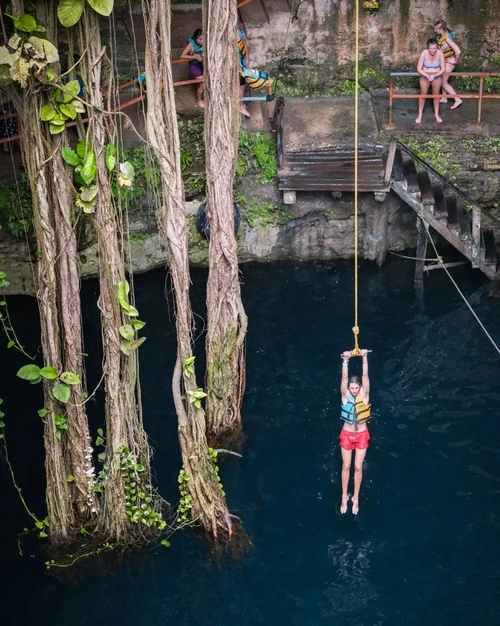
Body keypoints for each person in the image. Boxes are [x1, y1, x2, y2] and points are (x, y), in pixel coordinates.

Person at [339, 349, 371, 515]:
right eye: (351, 388)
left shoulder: (364, 395)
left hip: (361, 436)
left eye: (355, 387)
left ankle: (356, 497)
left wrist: (364, 357)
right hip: (347, 434)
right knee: (346, 465)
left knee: (358, 467)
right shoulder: (345, 395)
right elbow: (344, 379)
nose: (353, 390)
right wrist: (346, 360)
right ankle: (344, 496)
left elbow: (365, 376)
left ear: (359, 387)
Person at [415, 38, 445, 124]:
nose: (433, 50)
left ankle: (436, 113)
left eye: (435, 48)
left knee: (436, 95)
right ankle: (420, 114)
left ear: (437, 47)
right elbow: (418, 68)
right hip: (425, 76)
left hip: (437, 75)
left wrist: (434, 75)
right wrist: (427, 75)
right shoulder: (424, 53)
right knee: (423, 95)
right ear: (428, 47)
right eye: (431, 49)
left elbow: (443, 69)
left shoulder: (440, 53)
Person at [434, 19, 462, 110]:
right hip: (445, 61)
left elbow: (458, 51)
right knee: (442, 78)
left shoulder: (447, 38)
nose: (435, 31)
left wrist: (455, 60)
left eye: (436, 29)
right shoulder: (443, 35)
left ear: (442, 29)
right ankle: (444, 97)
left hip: (449, 62)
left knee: (443, 82)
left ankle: (457, 99)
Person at [181, 29, 204, 108]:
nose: (202, 41)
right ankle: (199, 100)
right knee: (202, 82)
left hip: (203, 65)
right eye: (200, 39)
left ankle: (204, 98)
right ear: (195, 39)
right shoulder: (191, 44)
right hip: (195, 67)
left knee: (204, 82)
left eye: (204, 39)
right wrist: (194, 57)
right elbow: (182, 56)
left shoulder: (205, 43)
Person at [237, 24, 251, 118]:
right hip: (232, 65)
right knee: (238, 85)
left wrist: (247, 58)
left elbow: (245, 44)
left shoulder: (239, 32)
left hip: (241, 63)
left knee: (241, 85)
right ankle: (239, 105)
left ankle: (240, 104)